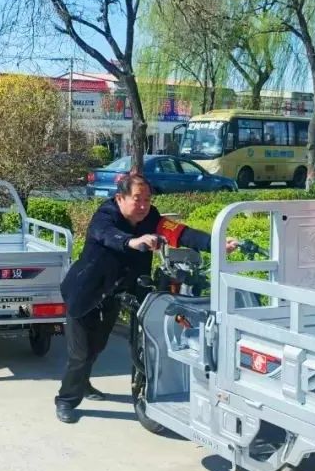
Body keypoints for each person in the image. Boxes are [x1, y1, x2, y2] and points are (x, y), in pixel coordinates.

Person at [55, 174, 239, 423]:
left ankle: (82, 382)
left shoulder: (151, 217)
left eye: (147, 199)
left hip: (116, 293)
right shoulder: (106, 215)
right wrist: (133, 241)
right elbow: (106, 235)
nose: (143, 205)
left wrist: (216, 243)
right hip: (85, 292)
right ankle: (66, 401)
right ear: (120, 198)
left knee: (97, 346)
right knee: (80, 353)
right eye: (137, 199)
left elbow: (181, 233)